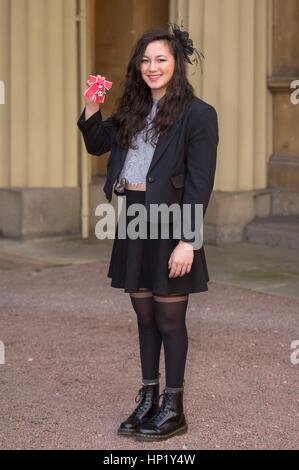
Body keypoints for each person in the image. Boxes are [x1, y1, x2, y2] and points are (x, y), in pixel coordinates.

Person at [77, 22, 219, 442]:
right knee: (144, 316)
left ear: (176, 64)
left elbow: (200, 182)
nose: (152, 67)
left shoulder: (199, 114)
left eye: (161, 59)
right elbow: (98, 143)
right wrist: (90, 106)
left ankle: (174, 407)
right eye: (145, 60)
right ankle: (148, 396)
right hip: (135, 218)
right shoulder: (133, 109)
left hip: (174, 221)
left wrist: (188, 240)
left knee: (169, 319)